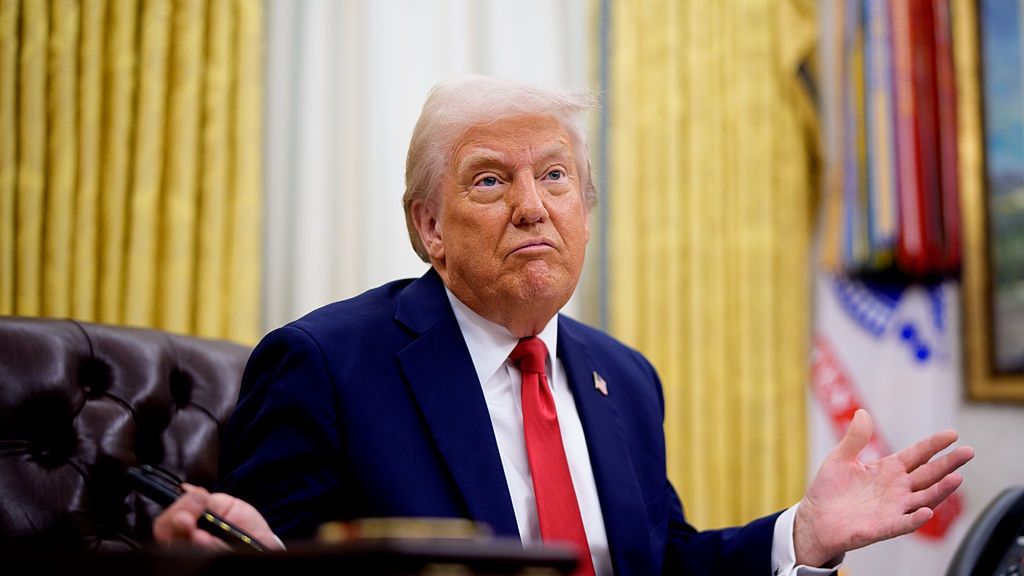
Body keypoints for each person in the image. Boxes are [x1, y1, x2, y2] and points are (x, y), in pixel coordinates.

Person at [153, 76, 974, 575]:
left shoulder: (627, 379)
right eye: (488, 180)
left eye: (555, 176)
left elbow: (661, 565)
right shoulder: (324, 364)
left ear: (587, 210)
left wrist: (803, 533)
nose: (532, 206)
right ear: (428, 226)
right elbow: (264, 559)